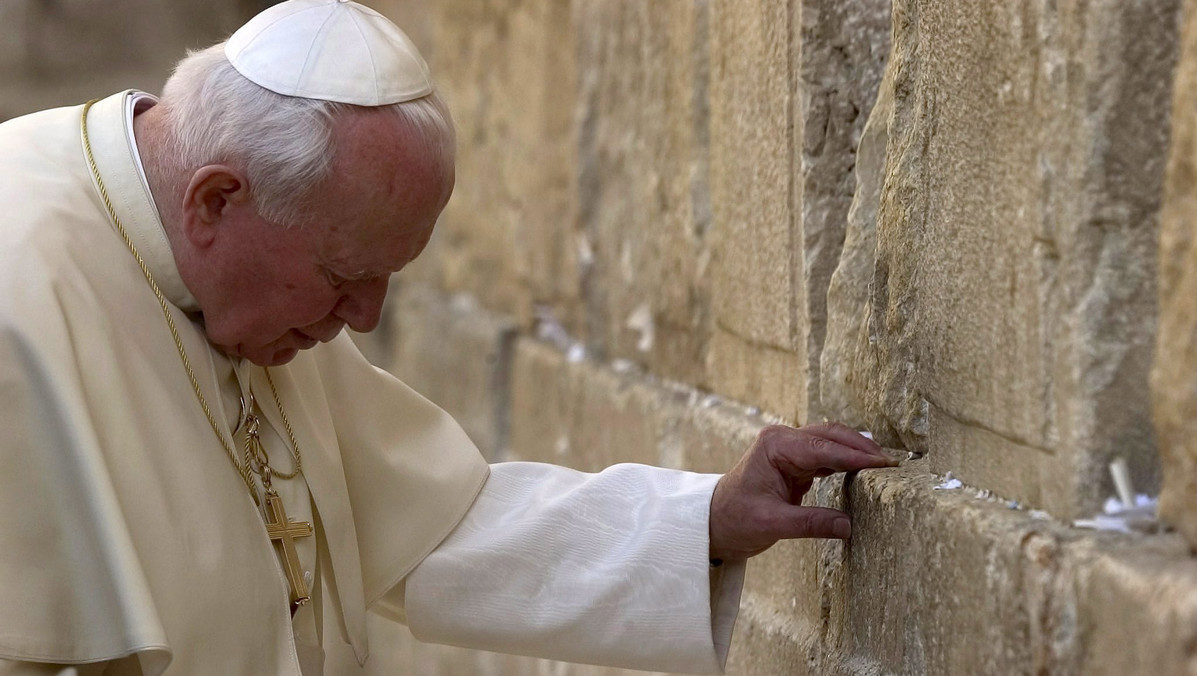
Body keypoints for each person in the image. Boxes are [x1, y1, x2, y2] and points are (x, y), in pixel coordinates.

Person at [0, 1, 895, 674]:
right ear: (216, 201)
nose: (366, 321)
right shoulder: (20, 282)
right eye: (346, 278)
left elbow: (431, 525)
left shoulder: (249, 284)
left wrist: (707, 519)